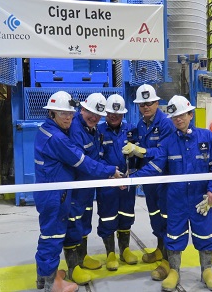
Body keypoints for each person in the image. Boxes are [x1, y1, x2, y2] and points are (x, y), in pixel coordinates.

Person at [128, 95, 212, 291]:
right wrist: (132, 178)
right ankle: (174, 271)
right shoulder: (169, 141)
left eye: (181, 115)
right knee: (174, 236)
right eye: (174, 117)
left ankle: (207, 271)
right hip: (176, 199)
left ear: (190, 114)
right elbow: (156, 165)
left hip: (201, 199)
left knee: (205, 235)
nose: (178, 119)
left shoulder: (207, 137)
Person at [33, 91, 122, 292]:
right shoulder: (57, 138)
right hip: (56, 195)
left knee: (48, 236)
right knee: (53, 238)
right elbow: (81, 161)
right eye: (63, 114)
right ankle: (52, 284)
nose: (68, 118)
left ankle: (44, 277)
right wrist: (111, 172)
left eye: (70, 114)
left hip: (56, 192)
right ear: (52, 114)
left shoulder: (49, 131)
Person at [122, 84, 174, 271]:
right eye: (142, 104)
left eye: (149, 103)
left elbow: (163, 153)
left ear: (157, 102)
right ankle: (160, 249)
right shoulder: (141, 124)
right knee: (155, 216)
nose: (146, 107)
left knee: (167, 217)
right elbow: (140, 152)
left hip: (163, 178)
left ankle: (168, 259)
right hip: (150, 180)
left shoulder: (166, 123)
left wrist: (142, 151)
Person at [63, 92, 109, 285]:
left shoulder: (93, 130)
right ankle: (73, 268)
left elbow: (96, 157)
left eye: (98, 115)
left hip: (87, 187)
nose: (94, 118)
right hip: (75, 186)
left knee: (84, 221)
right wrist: (108, 171)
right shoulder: (75, 129)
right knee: (73, 223)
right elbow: (82, 162)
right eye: (91, 113)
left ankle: (82, 257)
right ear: (82, 109)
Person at [97, 94, 138, 271]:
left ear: (123, 114)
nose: (114, 116)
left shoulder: (131, 130)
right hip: (107, 182)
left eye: (118, 114)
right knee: (107, 216)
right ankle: (110, 253)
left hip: (127, 182)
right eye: (111, 114)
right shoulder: (98, 131)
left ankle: (125, 249)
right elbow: (95, 159)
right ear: (105, 112)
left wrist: (131, 174)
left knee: (126, 214)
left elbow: (139, 154)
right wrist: (110, 175)